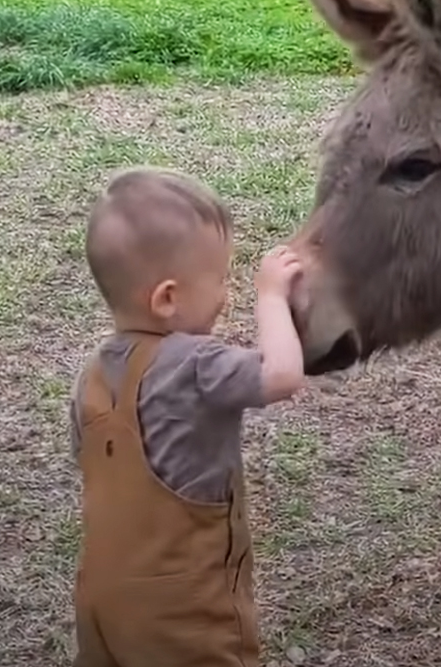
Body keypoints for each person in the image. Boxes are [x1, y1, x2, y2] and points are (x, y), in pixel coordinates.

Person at [68, 165, 305, 667]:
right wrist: (272, 296)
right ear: (168, 298)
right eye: (220, 279)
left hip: (101, 603)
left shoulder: (90, 377)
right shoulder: (196, 365)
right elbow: (282, 375)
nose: (226, 294)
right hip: (184, 611)